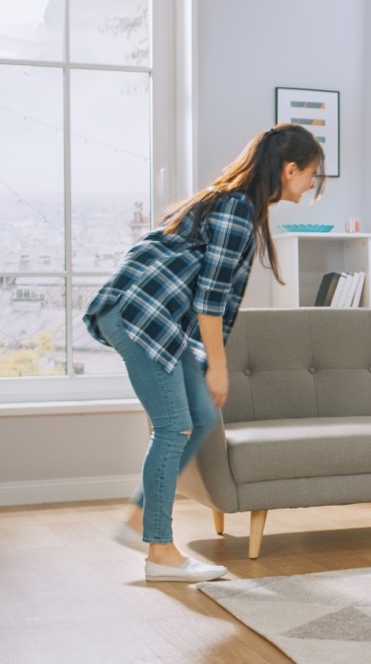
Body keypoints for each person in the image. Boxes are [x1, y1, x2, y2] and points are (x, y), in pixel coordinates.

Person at [84, 124, 326, 582]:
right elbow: (210, 299)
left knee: (201, 414)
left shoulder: (237, 203)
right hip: (141, 315)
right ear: (291, 169)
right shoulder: (237, 208)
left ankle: (139, 519)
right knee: (174, 425)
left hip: (156, 319)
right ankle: (160, 552)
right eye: (312, 175)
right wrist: (218, 366)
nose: (311, 184)